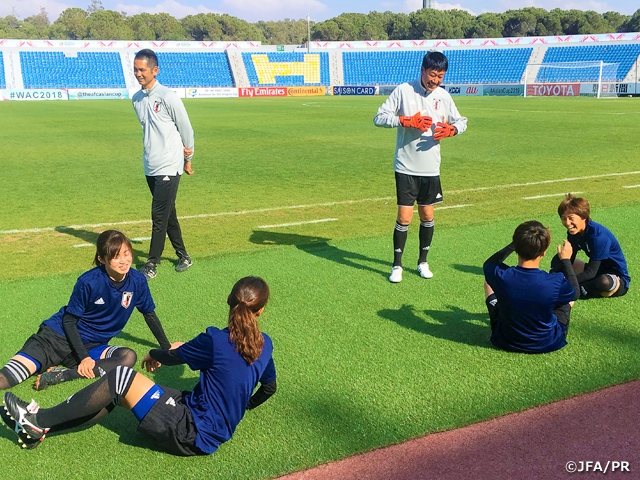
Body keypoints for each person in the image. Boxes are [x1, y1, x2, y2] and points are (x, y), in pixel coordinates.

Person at [2, 276, 277, 455]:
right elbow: (269, 388)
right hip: (203, 419)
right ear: (261, 310)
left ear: (228, 300)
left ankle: (37, 420)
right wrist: (241, 406)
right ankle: (42, 430)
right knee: (119, 390)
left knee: (120, 377)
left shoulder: (215, 340)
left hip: (193, 432)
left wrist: (155, 354)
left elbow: (172, 357)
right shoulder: (264, 344)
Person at [0, 230, 174, 393]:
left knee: (127, 357)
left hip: (92, 346)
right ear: (102, 259)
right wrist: (84, 358)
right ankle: (53, 363)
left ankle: (62, 375)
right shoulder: (88, 282)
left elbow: (149, 315)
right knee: (5, 379)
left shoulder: (138, 281)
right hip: (55, 339)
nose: (123, 261)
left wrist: (167, 349)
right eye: (115, 256)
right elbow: (69, 321)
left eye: (126, 253)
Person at [374, 51, 468, 283]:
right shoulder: (404, 90)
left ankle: (422, 262)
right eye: (432, 75)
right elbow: (379, 117)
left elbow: (461, 121)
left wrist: (451, 130)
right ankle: (397, 266)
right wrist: (405, 120)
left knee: (427, 214)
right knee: (404, 217)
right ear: (423, 70)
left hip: (431, 168)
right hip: (406, 166)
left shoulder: (443, 96)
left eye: (440, 76)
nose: (435, 80)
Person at [132, 48, 195, 280]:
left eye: (142, 69)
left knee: (158, 214)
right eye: (135, 69)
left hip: (169, 163)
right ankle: (183, 256)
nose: (138, 73)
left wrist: (188, 159)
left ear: (155, 70)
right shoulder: (136, 99)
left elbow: (186, 128)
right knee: (168, 213)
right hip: (150, 163)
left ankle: (151, 263)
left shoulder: (168, 96)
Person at [483, 221, 580, 353]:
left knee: (489, 282)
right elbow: (576, 292)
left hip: (505, 341)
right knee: (567, 299)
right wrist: (566, 260)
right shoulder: (555, 281)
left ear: (516, 247)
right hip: (547, 342)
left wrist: (515, 244)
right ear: (543, 252)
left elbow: (489, 263)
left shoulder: (501, 275)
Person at [550, 194, 630, 299]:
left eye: (571, 218)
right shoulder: (574, 231)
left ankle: (580, 288)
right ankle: (558, 284)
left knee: (603, 282)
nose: (567, 223)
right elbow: (570, 257)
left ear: (583, 216)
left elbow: (591, 272)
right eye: (563, 218)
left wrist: (567, 282)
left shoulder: (598, 236)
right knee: (560, 258)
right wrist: (554, 277)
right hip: (595, 270)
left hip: (615, 277)